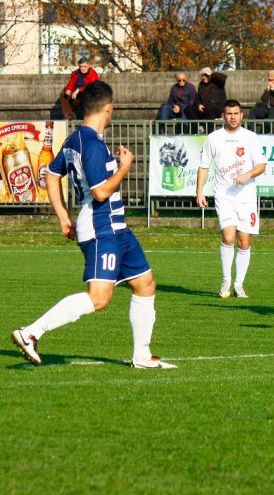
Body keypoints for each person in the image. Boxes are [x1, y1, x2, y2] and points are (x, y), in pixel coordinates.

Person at [11, 80, 176, 369]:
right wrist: (125, 167)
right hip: (101, 229)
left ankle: (142, 355)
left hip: (116, 227)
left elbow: (51, 175)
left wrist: (64, 217)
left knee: (145, 284)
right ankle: (31, 333)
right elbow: (100, 192)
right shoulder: (92, 145)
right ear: (108, 109)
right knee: (99, 299)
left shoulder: (76, 139)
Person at [196, 99, 267, 299]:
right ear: (223, 116)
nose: (233, 117)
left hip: (247, 197)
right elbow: (203, 166)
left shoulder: (250, 138)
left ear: (241, 115)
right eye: (229, 114)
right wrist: (199, 192)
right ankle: (226, 280)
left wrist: (247, 175)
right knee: (228, 237)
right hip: (224, 195)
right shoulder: (213, 138)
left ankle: (239, 284)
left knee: (244, 241)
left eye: (236, 113)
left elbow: (261, 165)